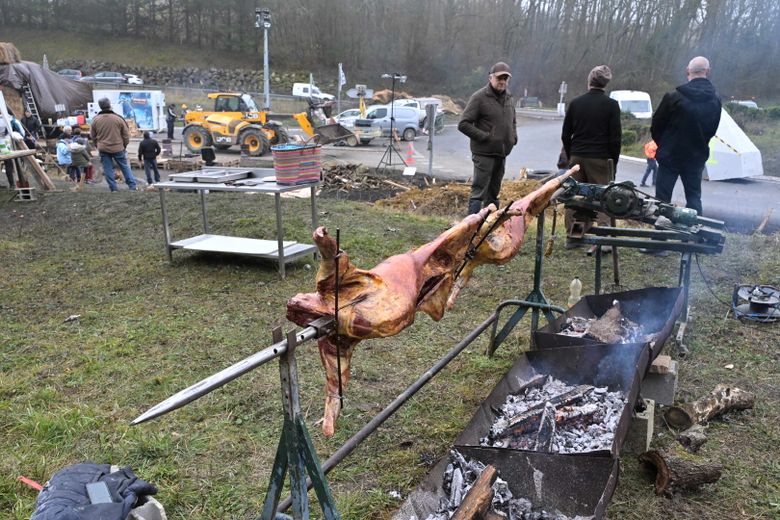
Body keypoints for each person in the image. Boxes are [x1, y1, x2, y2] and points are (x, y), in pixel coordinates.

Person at [561, 65, 621, 253]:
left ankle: (574, 236)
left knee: (575, 197)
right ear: (606, 83)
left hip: (577, 157)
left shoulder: (576, 103)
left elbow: (565, 134)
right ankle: (602, 240)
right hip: (601, 159)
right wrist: (613, 162)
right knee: (603, 198)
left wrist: (572, 154)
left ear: (589, 81)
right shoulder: (611, 105)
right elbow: (616, 139)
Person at [651, 56, 721, 216]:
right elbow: (712, 128)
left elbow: (656, 125)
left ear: (687, 71)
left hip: (670, 156)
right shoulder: (715, 99)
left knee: (662, 200)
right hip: (696, 156)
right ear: (708, 72)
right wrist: (700, 143)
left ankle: (660, 235)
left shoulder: (673, 97)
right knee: (694, 198)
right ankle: (694, 234)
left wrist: (664, 144)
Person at [457, 61, 518, 214]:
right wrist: (485, 137)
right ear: (491, 78)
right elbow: (463, 124)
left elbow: (513, 120)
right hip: (484, 154)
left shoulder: (509, 97)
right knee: (479, 192)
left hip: (502, 153)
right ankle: (471, 229)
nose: (502, 81)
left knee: (494, 194)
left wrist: (513, 137)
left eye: (505, 78)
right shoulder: (479, 97)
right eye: (499, 78)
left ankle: (490, 229)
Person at [89, 97, 138, 191]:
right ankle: (132, 186)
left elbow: (93, 136)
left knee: (108, 169)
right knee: (125, 167)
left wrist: (98, 145)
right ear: (110, 105)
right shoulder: (118, 118)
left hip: (103, 148)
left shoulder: (95, 120)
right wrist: (124, 145)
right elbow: (126, 135)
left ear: (100, 107)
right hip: (118, 148)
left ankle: (113, 188)